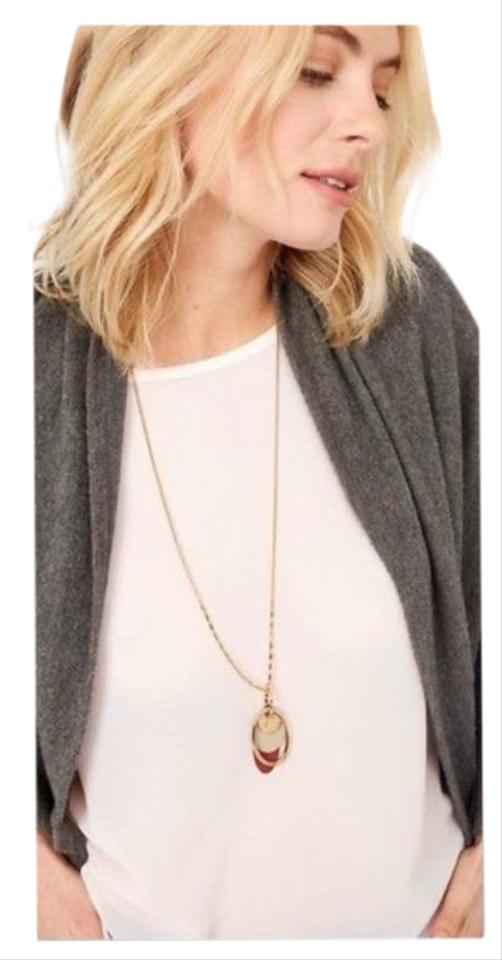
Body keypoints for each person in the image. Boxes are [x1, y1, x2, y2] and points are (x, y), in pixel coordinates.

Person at [34, 25, 483, 940]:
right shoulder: (32, 370)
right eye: (315, 70)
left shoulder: (410, 325)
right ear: (169, 66)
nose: (368, 124)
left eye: (382, 87)